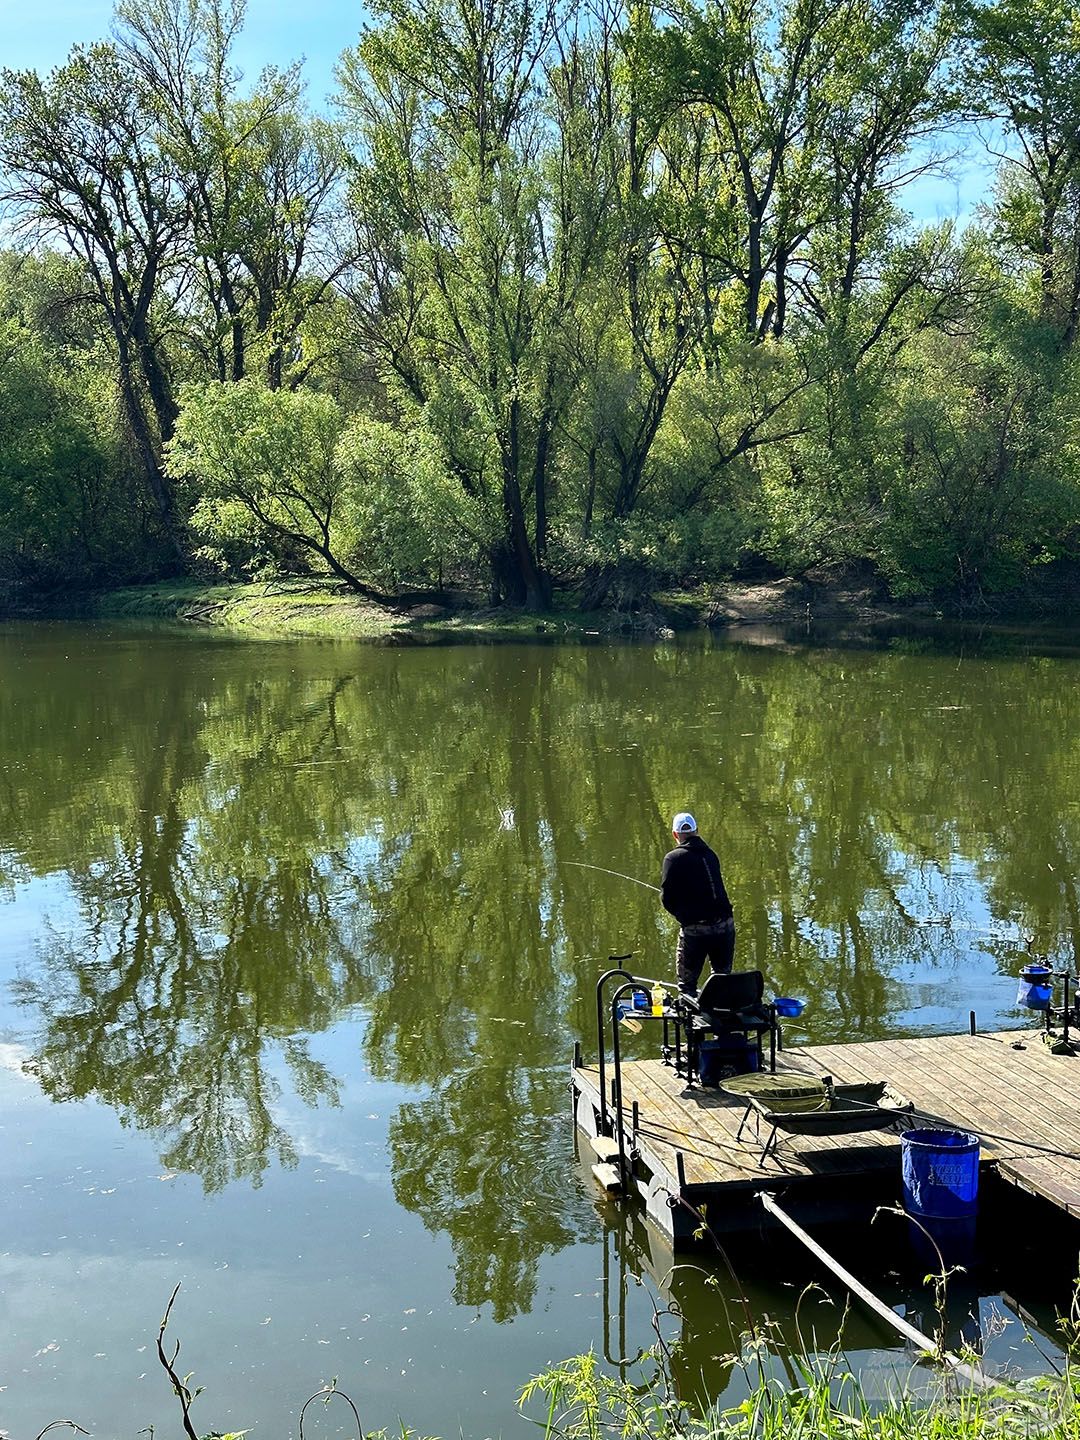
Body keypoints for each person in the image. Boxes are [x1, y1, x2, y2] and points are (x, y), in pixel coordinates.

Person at [660, 811, 735, 994]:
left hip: (696, 929)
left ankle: (690, 1017)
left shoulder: (673, 858)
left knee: (687, 988)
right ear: (697, 831)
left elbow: (667, 898)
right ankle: (720, 1017)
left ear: (675, 835)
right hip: (725, 926)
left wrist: (684, 916)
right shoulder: (711, 855)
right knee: (721, 980)